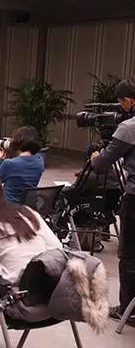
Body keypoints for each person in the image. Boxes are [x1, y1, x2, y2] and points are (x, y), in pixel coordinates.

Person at [89, 78, 135, 326]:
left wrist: (96, 155)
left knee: (129, 254)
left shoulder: (128, 128)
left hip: (134, 198)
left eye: (121, 102)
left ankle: (128, 309)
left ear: (128, 101)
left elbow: (101, 163)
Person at [0, 169, 62, 285]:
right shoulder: (27, 212)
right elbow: (57, 246)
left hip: (16, 284)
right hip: (47, 277)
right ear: (1, 191)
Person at [0, 126, 44, 203]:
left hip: (10, 206)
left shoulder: (9, 164)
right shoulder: (40, 161)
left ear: (17, 142)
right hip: (29, 206)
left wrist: (0, 160)